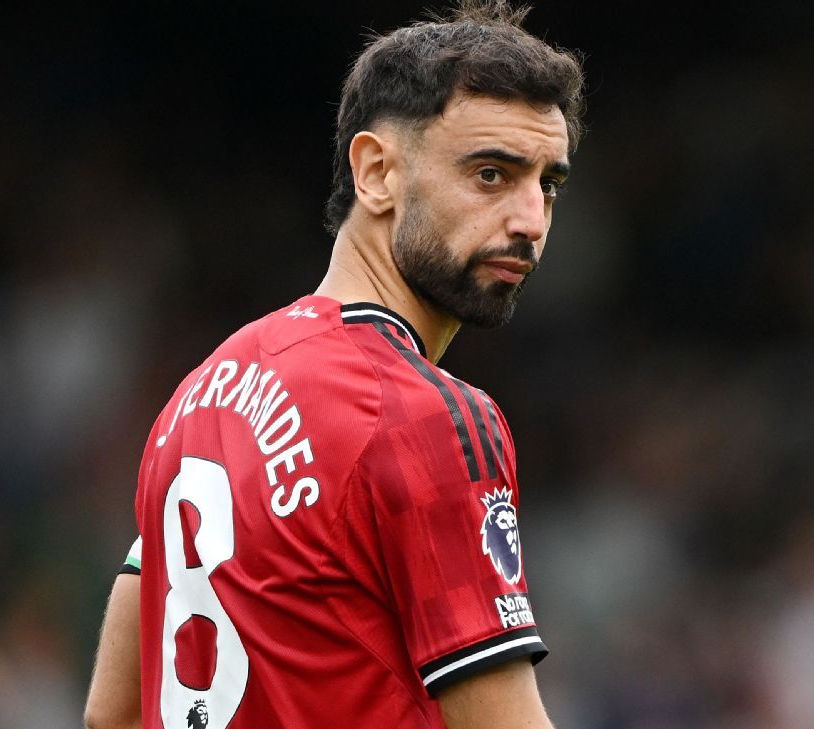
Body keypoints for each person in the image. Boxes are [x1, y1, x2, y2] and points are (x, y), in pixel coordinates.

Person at [84, 1, 584, 727]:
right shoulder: (427, 418)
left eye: (548, 184)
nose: (530, 220)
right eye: (490, 174)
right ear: (376, 172)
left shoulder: (199, 395)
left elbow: (112, 711)